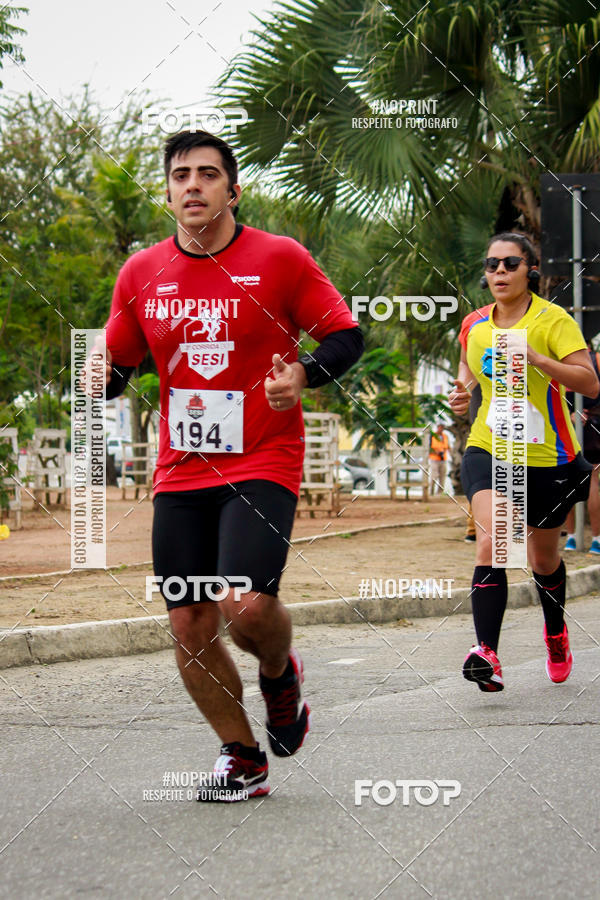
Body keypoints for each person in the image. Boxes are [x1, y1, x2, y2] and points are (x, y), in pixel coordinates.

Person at [101, 130, 363, 800]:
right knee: (189, 621)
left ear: (233, 190)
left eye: (208, 175)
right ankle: (241, 755)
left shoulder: (279, 258)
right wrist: (95, 374)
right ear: (167, 192)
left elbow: (345, 335)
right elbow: (116, 367)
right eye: (181, 175)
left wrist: (302, 373)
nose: (193, 185)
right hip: (181, 469)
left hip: (262, 457)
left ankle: (277, 671)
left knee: (245, 606)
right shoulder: (141, 273)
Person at [449, 232, 598, 692]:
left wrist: (536, 358)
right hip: (489, 447)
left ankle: (555, 632)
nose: (499, 273)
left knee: (542, 558)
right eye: (491, 265)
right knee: (495, 541)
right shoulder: (474, 323)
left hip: (548, 457)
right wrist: (462, 392)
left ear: (530, 269)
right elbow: (469, 368)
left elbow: (589, 383)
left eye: (510, 264)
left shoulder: (553, 321)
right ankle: (486, 653)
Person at [564, 343, 600, 553]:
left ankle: (575, 536)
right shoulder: (594, 359)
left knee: (570, 479)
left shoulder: (558, 360)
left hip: (576, 426)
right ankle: (593, 538)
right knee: (589, 479)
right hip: (581, 425)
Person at [429, 423, 449, 495]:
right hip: (434, 459)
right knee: (434, 476)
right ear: (437, 428)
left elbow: (447, 446)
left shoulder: (445, 436)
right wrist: (436, 452)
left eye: (442, 428)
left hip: (443, 459)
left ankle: (439, 493)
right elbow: (428, 447)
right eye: (440, 427)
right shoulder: (432, 436)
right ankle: (431, 492)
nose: (441, 429)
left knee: (442, 476)